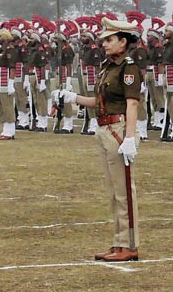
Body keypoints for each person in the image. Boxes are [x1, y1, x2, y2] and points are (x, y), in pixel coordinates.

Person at [53, 17, 142, 262]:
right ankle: (119, 241)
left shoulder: (128, 67)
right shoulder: (108, 67)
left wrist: (130, 137)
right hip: (103, 128)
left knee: (124, 191)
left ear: (123, 41)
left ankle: (130, 244)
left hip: (118, 129)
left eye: (109, 39)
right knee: (114, 191)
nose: (104, 43)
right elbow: (99, 102)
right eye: (103, 39)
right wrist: (72, 97)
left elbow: (132, 103)